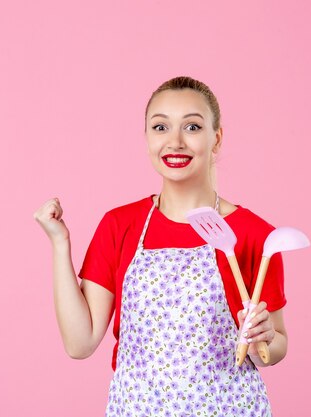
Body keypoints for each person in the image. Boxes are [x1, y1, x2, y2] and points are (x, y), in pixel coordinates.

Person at [33, 76, 288, 417]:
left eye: (193, 127)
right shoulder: (120, 226)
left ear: (217, 138)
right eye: (160, 127)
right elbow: (80, 343)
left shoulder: (254, 234)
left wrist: (262, 342)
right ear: (147, 138)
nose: (175, 142)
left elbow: (277, 342)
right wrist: (60, 243)